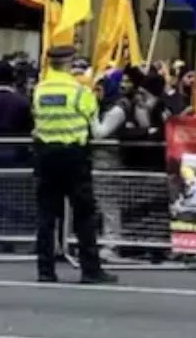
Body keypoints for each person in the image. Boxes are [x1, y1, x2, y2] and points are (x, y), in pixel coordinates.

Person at [31, 45, 125, 284]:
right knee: (84, 215)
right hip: (74, 156)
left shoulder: (39, 90)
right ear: (70, 63)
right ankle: (90, 270)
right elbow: (96, 130)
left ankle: (45, 270)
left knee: (46, 215)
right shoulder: (80, 91)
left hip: (45, 156)